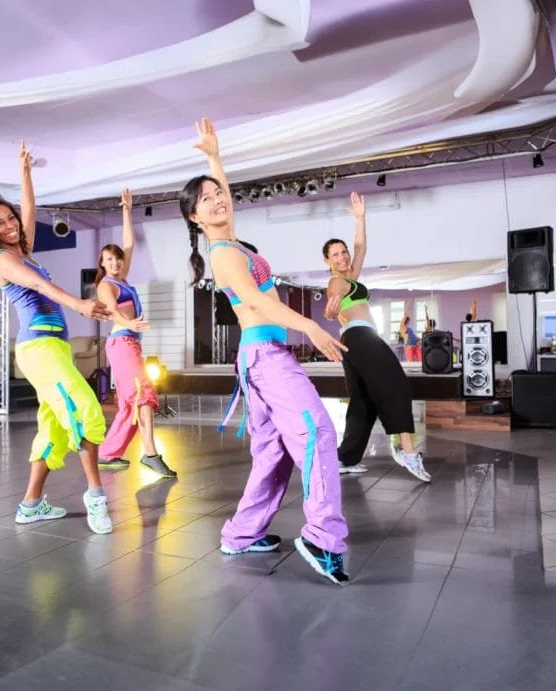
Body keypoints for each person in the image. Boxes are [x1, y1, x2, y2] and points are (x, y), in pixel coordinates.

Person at [182, 117, 350, 585]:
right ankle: (322, 537)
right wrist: (312, 329)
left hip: (260, 359)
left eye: (218, 195)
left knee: (273, 455)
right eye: (206, 200)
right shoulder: (224, 254)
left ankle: (240, 534)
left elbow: (227, 198)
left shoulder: (230, 238)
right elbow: (256, 302)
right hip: (265, 358)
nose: (217, 201)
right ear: (195, 217)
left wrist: (214, 158)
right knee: (316, 432)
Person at [0, 140, 114, 534]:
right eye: (0, 223)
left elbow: (28, 211)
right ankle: (96, 495)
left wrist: (25, 173)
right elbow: (42, 289)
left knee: (54, 427)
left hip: (53, 347)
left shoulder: (21, 249)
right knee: (82, 409)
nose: (10, 225)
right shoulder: (4, 260)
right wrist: (79, 305)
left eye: (9, 219)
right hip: (38, 348)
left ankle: (30, 505)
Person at [322, 199, 431, 482]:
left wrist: (361, 218)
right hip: (361, 338)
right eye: (335, 254)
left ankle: (345, 458)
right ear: (327, 261)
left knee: (363, 401)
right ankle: (406, 450)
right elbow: (331, 305)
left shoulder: (351, 279)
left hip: (355, 341)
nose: (343, 257)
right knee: (395, 384)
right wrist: (329, 312)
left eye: (343, 252)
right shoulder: (337, 281)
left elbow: (361, 249)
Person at [94, 188, 177, 479]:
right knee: (143, 395)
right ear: (102, 264)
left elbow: (129, 242)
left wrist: (127, 209)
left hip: (129, 344)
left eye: (118, 259)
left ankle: (106, 453)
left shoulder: (122, 277)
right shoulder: (106, 284)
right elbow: (111, 309)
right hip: (121, 341)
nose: (116, 262)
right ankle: (151, 454)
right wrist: (127, 323)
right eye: (110, 260)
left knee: (131, 402)